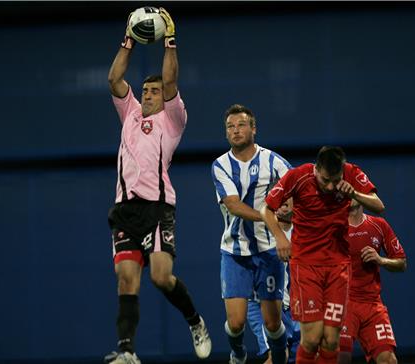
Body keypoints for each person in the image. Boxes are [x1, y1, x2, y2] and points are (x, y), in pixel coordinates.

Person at [104, 8, 211, 364]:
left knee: (162, 278)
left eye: (154, 91)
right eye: (146, 90)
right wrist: (129, 40)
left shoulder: (173, 118)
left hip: (157, 208)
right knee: (126, 279)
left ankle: (194, 320)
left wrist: (170, 41)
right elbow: (114, 78)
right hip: (124, 209)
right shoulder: (130, 112)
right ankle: (127, 351)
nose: (149, 95)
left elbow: (171, 79)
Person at [261, 146, 385, 364]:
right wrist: (280, 237)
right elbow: (266, 209)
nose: (330, 186)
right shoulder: (299, 176)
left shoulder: (351, 173)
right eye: (325, 179)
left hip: (338, 268)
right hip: (306, 267)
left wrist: (354, 193)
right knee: (311, 338)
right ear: (316, 169)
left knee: (331, 341)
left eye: (335, 180)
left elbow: (379, 205)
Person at [212, 104, 292, 364]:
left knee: (273, 323)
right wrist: (270, 216)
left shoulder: (274, 161)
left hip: (268, 252)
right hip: (234, 253)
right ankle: (237, 353)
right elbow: (233, 205)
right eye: (230, 127)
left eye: (241, 125)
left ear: (253, 129)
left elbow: (296, 192)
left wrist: (290, 211)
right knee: (235, 323)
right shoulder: (220, 165)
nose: (235, 131)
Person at [337, 200, 406, 364]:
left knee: (388, 360)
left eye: (356, 189)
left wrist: (381, 260)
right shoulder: (334, 228)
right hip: (342, 303)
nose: (351, 194)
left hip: (372, 304)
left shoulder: (379, 225)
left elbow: (401, 263)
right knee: (340, 358)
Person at [246, 198, 300, 364]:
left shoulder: (303, 232)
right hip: (264, 305)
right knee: (277, 356)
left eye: (289, 195)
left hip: (295, 309)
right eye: (278, 194)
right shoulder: (259, 233)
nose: (283, 198)